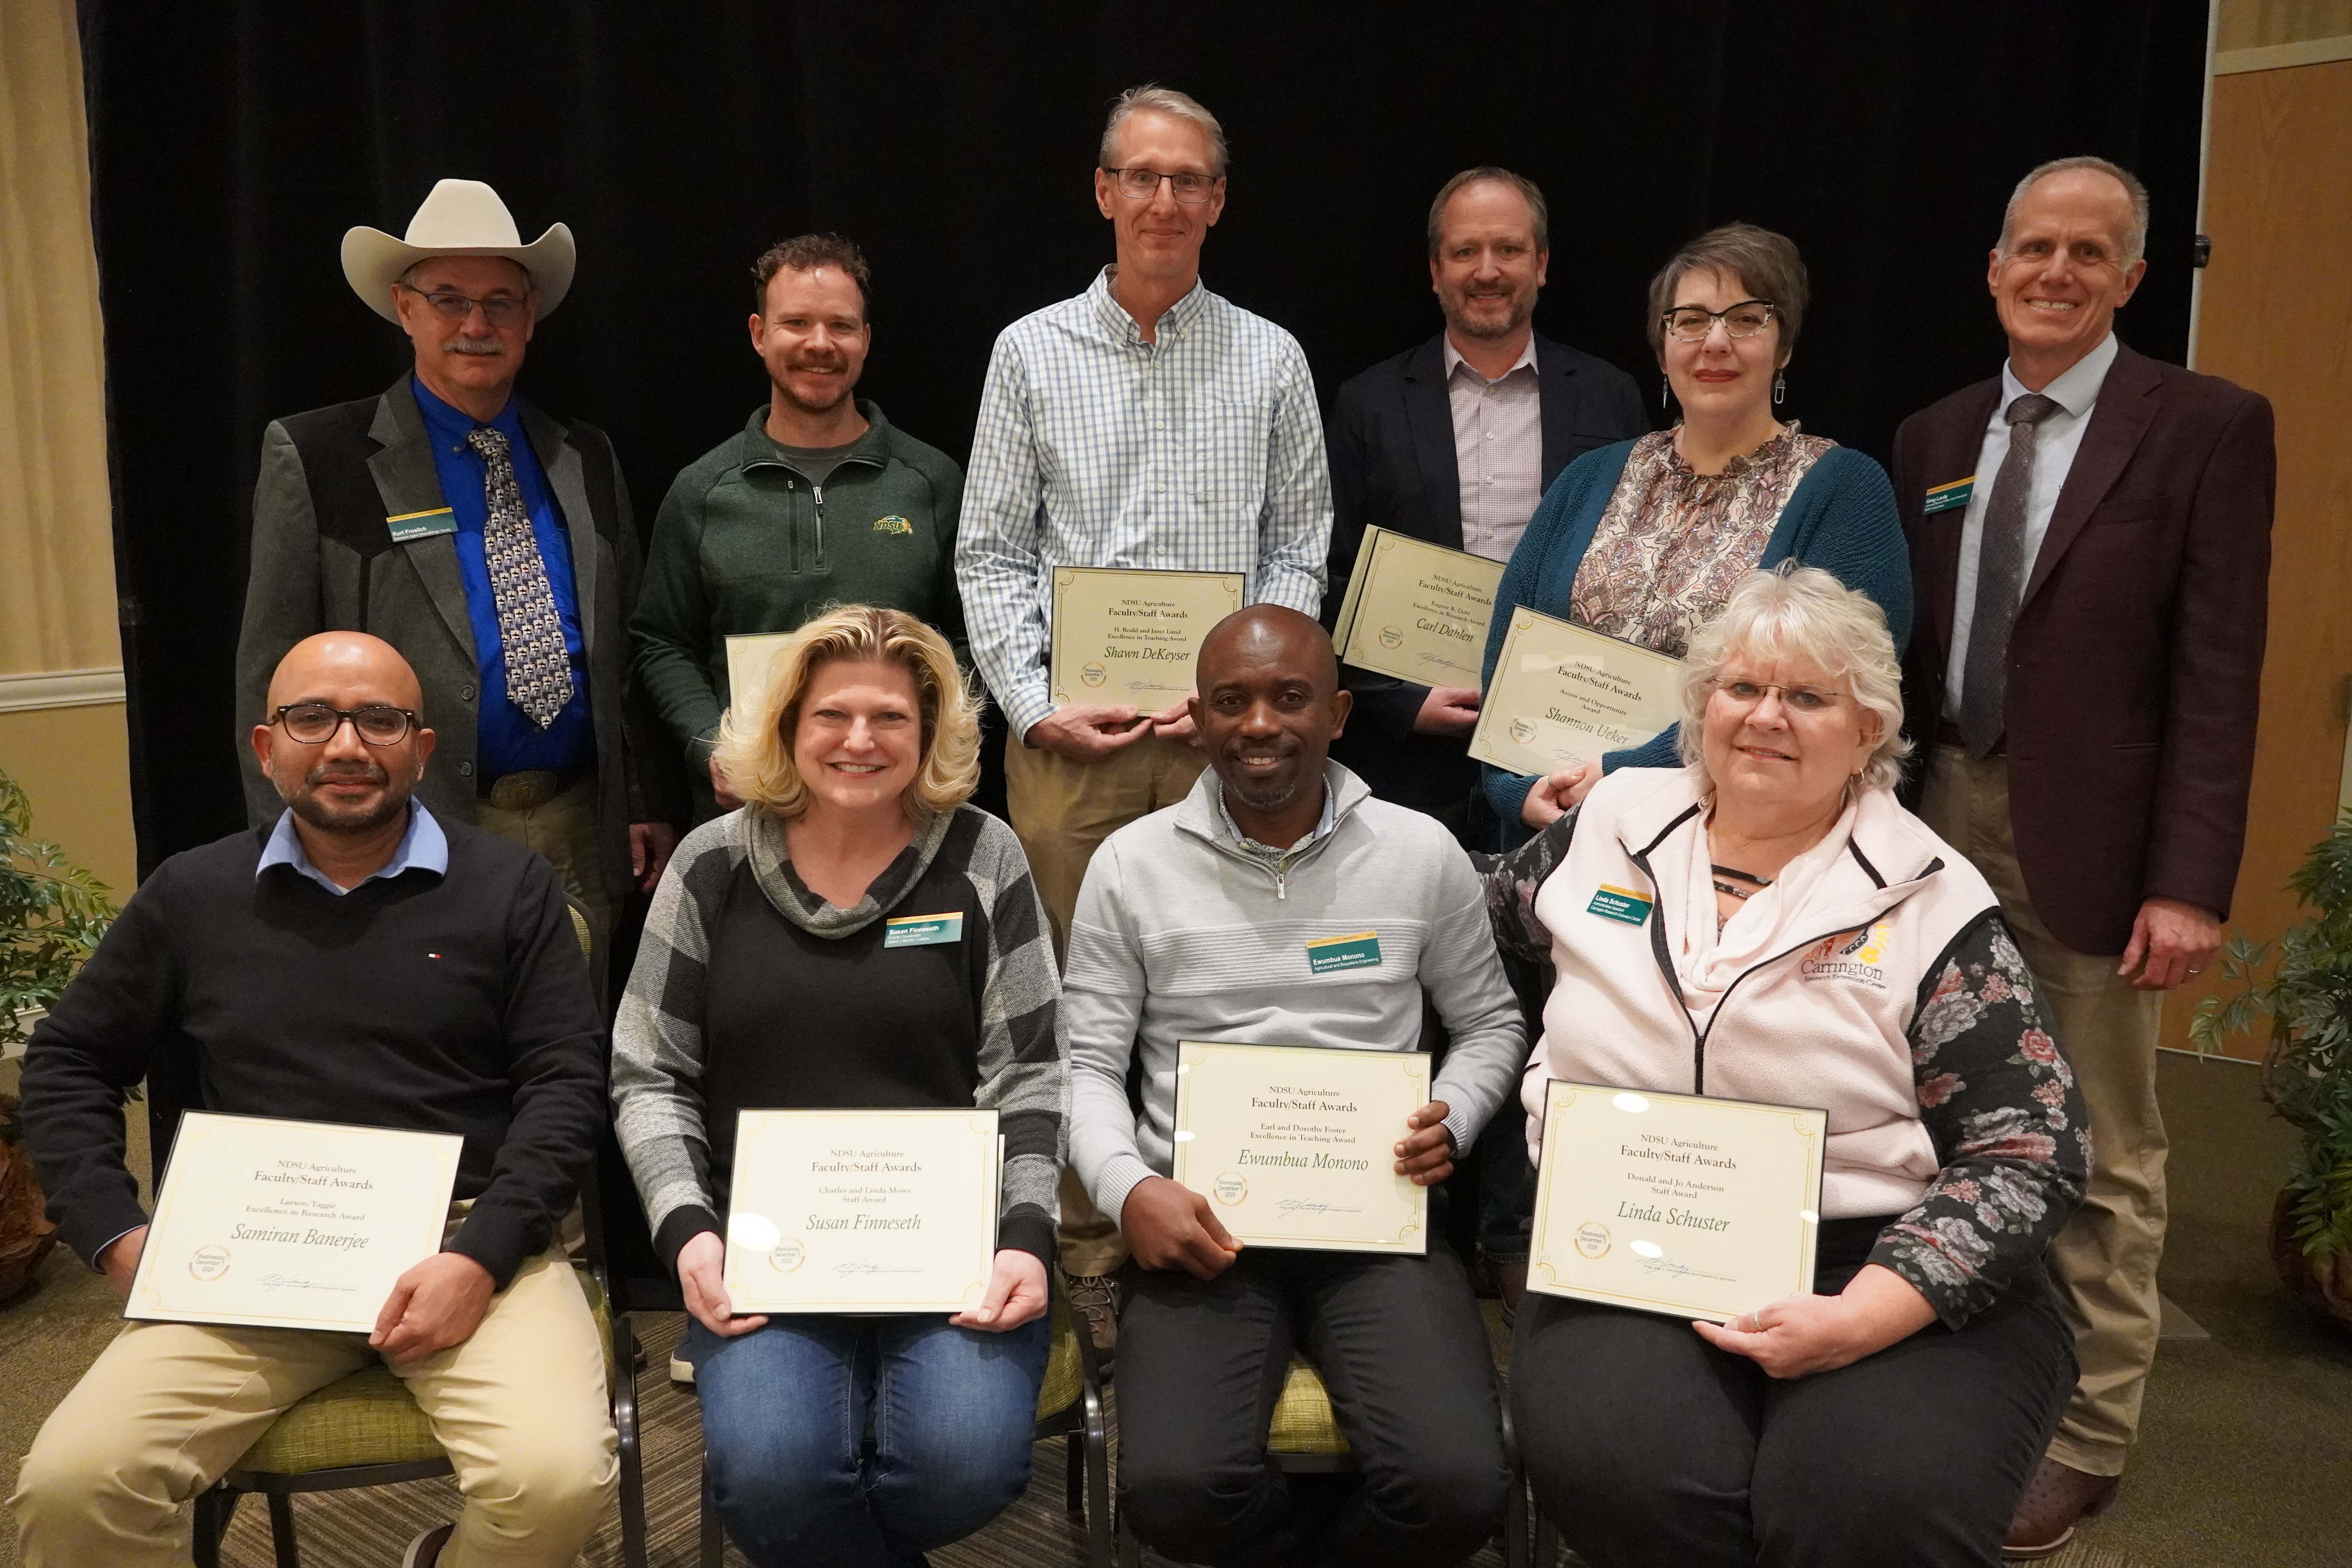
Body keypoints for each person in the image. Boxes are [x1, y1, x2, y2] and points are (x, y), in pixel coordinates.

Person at [1483, 568, 2087, 1568]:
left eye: (1808, 697)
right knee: (1635, 1473)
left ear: (1870, 731)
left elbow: (2032, 1147)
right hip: (1632, 1237)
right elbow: (1476, 940)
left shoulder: (1930, 895)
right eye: (1741, 689)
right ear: (1701, 706)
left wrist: (1862, 1314)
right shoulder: (1611, 823)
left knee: (1867, 1507)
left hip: (1877, 1250)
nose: (1766, 717)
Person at [11, 633, 615, 1568]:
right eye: (312, 717)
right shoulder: (193, 894)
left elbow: (567, 1084)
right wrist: (114, 1234)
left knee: (556, 1480)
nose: (345, 744)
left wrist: (482, 1254)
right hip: (255, 1262)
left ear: (420, 747)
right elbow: (68, 1060)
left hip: (465, 1249)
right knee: (74, 1481)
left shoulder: (509, 887)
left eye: (380, 719)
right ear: (266, 745)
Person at [1892, 155, 2274, 1556]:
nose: (2054, 272)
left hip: (2106, 853)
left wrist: (2191, 878)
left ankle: (2089, 1431)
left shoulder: (2207, 428)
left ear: (2131, 277)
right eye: (2031, 249)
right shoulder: (1933, 434)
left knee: (2105, 1146)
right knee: (1947, 1118)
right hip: (1940, 829)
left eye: (2086, 252)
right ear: (1994, 270)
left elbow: (2218, 675)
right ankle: (1971, 1372)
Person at [956, 84, 1332, 1337]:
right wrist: (1031, 705)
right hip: (1075, 749)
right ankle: (1078, 1246)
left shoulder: (1272, 357)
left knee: (1226, 979)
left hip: (1233, 751)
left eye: (1190, 180)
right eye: (1143, 176)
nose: (1165, 199)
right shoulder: (1029, 352)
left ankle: (1225, 1207)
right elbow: (992, 557)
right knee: (1065, 992)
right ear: (1104, 192)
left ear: (1217, 203)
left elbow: (1299, 550)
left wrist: (1250, 706)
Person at [611, 606, 1066, 1567]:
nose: (860, 740)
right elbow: (649, 1072)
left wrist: (1026, 1236)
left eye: (891, 717)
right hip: (761, 1254)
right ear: (785, 726)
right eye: (832, 714)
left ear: (931, 731)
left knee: (962, 1462)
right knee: (772, 1475)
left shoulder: (985, 855)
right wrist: (687, 1228)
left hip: (957, 1248)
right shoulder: (710, 864)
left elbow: (1029, 1068)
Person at [1067, 604, 1521, 1565]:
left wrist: (1462, 1112)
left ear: (1340, 712)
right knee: (1174, 1492)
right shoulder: (1130, 865)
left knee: (1458, 1487)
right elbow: (1087, 1064)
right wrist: (1129, 1187)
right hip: (1201, 1227)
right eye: (1231, 701)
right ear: (1198, 715)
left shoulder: (1418, 852)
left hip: (1377, 1220)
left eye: (1289, 697)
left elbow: (1491, 1024)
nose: (1260, 723)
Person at [234, 178, 684, 958]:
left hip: (580, 827)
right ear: (404, 308)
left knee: (570, 1059)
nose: (477, 324)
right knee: (432, 1058)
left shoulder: (584, 456)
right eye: (449, 298)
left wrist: (640, 798)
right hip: (408, 826)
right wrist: (290, 851)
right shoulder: (319, 457)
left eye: (501, 302)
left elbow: (626, 649)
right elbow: (271, 672)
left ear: (530, 316)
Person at [1479, 222, 1910, 844]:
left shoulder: (1845, 491)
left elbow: (1835, 698)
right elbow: (1507, 650)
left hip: (1736, 847)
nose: (1715, 342)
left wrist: (1621, 775)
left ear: (1784, 346)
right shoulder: (1589, 477)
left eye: (1745, 319)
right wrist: (1514, 789)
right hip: (1556, 835)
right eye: (1690, 320)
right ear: (1663, 347)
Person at [1323, 166, 1647, 847]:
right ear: (1435, 270)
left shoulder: (1609, 397)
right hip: (1408, 765)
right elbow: (1336, 570)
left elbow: (1638, 567)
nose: (1488, 270)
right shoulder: (1369, 404)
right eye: (1466, 252)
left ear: (1543, 264)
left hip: (1568, 750)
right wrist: (1401, 703)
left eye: (1509, 249)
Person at [633, 234, 967, 822]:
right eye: (797, 324)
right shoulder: (702, 490)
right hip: (750, 807)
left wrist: (936, 742)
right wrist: (711, 746)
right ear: (760, 334)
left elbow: (969, 638)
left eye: (841, 326)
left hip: (900, 805)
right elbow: (662, 643)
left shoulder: (933, 483)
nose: (820, 344)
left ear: (866, 339)